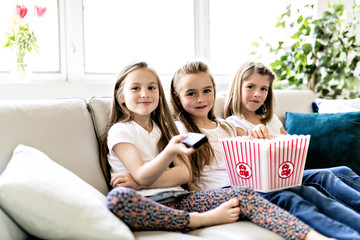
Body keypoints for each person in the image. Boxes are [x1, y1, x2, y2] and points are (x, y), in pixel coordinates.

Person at [101, 60, 323, 240]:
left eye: (151, 87)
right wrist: (155, 166)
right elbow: (142, 174)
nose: (145, 94)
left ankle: (313, 236)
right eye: (135, 88)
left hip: (180, 198)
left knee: (243, 195)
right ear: (121, 96)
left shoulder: (166, 129)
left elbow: (184, 173)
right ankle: (201, 219)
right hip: (147, 202)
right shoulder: (121, 131)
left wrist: (140, 179)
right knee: (118, 199)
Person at [168, 60, 333, 240]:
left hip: (244, 186)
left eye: (207, 91)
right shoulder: (179, 131)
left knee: (304, 190)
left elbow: (246, 165)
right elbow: (186, 179)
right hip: (218, 192)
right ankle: (316, 236)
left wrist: (256, 140)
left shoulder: (227, 128)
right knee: (286, 197)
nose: (201, 99)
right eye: (191, 93)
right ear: (177, 97)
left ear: (214, 91)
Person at [224, 61, 360, 238]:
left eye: (264, 89)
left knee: (342, 170)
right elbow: (247, 164)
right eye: (251, 87)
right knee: (324, 177)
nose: (257, 94)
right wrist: (260, 138)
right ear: (237, 87)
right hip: (272, 181)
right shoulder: (234, 124)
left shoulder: (271, 119)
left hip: (289, 172)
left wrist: (287, 144)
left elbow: (291, 146)